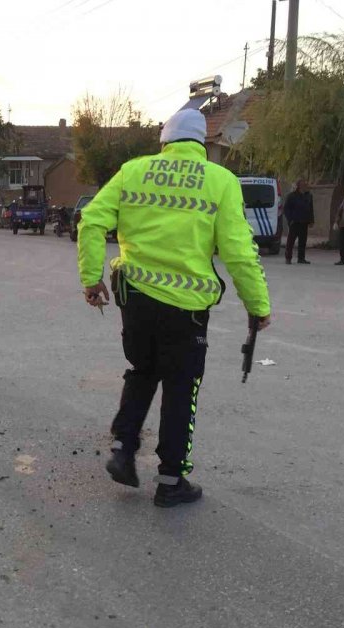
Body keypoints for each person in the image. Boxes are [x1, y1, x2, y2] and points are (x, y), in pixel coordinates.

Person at [77, 109, 271, 508]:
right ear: (202, 144)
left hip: (135, 296)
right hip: (186, 307)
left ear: (164, 142)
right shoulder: (220, 181)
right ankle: (170, 481)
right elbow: (238, 252)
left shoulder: (134, 171)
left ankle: (123, 448)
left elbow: (91, 221)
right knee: (181, 387)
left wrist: (91, 278)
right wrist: (258, 305)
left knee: (142, 371)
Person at [282, 179, 314, 265]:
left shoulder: (308, 196)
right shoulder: (292, 196)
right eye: (303, 184)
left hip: (304, 222)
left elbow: (310, 209)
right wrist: (290, 219)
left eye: (306, 185)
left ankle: (301, 258)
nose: (305, 186)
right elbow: (286, 209)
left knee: (303, 241)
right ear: (299, 186)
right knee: (291, 241)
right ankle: (288, 258)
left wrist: (311, 220)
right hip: (295, 222)